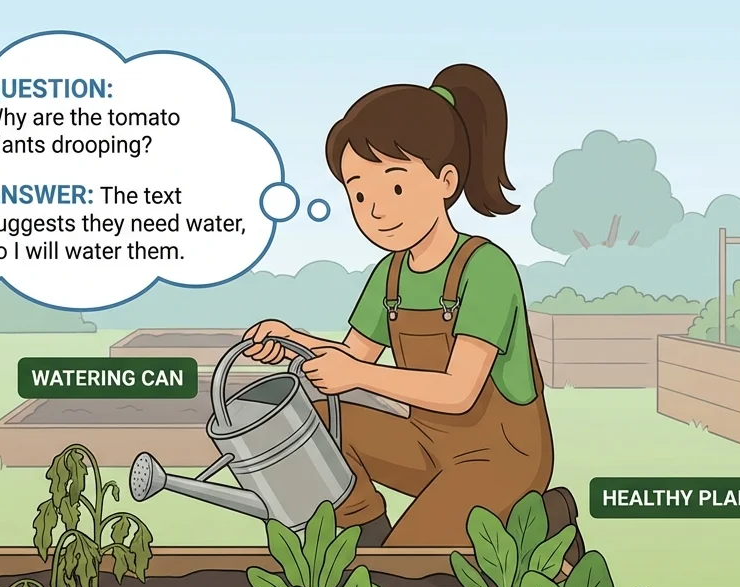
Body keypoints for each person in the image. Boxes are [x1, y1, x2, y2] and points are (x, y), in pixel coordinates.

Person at [243, 63, 582, 558]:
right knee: (316, 426)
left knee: (407, 568)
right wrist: (295, 342)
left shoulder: (485, 269)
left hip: (503, 457)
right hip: (427, 442)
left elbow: (458, 391)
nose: (375, 209)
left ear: (446, 180)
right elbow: (352, 358)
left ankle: (542, 517)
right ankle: (364, 533)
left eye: (395, 187)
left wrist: (355, 373)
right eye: (359, 193)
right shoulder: (390, 275)